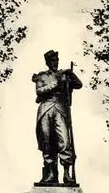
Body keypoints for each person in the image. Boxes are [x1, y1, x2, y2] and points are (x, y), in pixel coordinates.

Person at [32, 49, 83, 184]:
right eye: (52, 61)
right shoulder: (41, 76)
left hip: (60, 108)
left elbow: (79, 85)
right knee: (47, 142)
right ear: (47, 63)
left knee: (64, 141)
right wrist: (55, 84)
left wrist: (70, 73)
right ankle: (50, 174)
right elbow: (39, 91)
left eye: (56, 60)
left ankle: (67, 174)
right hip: (46, 109)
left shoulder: (64, 75)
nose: (55, 63)